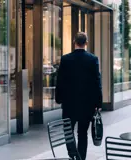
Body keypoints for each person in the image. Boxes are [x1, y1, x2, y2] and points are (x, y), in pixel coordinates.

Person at [55, 32, 102, 160]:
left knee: (68, 132)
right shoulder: (93, 59)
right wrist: (98, 104)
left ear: (74, 42)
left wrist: (58, 99)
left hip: (69, 104)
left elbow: (60, 81)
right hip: (87, 105)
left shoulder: (65, 59)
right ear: (86, 43)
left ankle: (73, 155)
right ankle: (81, 158)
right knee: (82, 134)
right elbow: (97, 83)